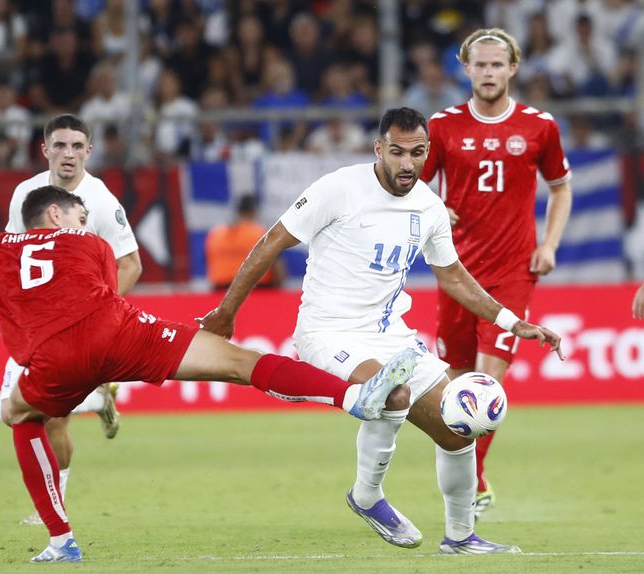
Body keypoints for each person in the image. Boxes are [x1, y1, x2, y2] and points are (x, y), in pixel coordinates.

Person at [0, 186, 417, 563]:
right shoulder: (90, 244)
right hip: (121, 332)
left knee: (18, 413)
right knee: (240, 363)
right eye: (78, 214)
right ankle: (351, 396)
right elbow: (100, 284)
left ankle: (61, 539)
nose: (85, 223)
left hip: (55, 357)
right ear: (57, 217)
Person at [198, 107, 564, 555]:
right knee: (392, 393)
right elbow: (273, 240)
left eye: (417, 153)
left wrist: (511, 321)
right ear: (379, 149)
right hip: (328, 333)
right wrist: (227, 311)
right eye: (398, 152)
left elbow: (452, 276)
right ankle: (367, 495)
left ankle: (461, 537)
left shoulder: (428, 206)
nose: (408, 163)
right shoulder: (339, 188)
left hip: (392, 337)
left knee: (457, 428)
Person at [420, 28, 573, 520]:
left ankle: (470, 487)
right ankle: (473, 477)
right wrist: (435, 207)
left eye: (497, 64)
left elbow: (561, 187)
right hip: (456, 273)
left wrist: (549, 244)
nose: (488, 72)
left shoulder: (539, 126)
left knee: (487, 383)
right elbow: (410, 187)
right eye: (480, 65)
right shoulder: (442, 126)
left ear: (513, 68)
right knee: (455, 384)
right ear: (466, 69)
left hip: (512, 272)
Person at [1, 113, 142, 526]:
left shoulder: (101, 203)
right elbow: (10, 252)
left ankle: (54, 502)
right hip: (37, 322)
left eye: (77, 146)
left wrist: (97, 312)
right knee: (12, 412)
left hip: (77, 325)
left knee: (51, 416)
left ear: (89, 151)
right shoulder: (25, 194)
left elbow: (131, 264)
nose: (68, 154)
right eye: (60, 145)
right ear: (44, 149)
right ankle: (97, 400)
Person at [205, 195, 284, 291]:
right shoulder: (260, 233)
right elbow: (277, 267)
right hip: (257, 291)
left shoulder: (216, 234)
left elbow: (208, 263)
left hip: (220, 291)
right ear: (254, 211)